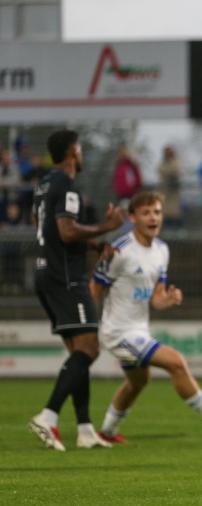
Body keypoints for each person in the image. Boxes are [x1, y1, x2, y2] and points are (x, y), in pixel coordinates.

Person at [90, 192, 202, 443]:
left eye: (157, 212)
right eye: (146, 213)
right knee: (176, 362)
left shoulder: (162, 250)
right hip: (118, 332)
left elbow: (156, 298)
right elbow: (95, 287)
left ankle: (106, 433)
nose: (153, 218)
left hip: (139, 329)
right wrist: (88, 328)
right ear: (132, 218)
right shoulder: (120, 250)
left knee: (137, 382)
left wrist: (168, 299)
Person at [29, 130, 125, 451]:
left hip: (46, 272)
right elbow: (67, 231)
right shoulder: (67, 185)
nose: (82, 154)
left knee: (78, 353)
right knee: (89, 349)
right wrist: (107, 227)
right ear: (72, 151)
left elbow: (42, 226)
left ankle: (85, 430)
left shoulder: (43, 185)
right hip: (67, 278)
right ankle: (48, 416)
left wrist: (94, 244)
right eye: (80, 148)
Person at [156, 146, 183, 226]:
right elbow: (160, 170)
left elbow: (175, 171)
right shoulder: (162, 163)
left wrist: (167, 173)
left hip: (173, 190)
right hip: (165, 191)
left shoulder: (175, 162)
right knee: (165, 211)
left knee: (174, 212)